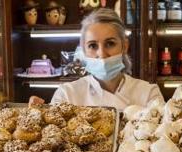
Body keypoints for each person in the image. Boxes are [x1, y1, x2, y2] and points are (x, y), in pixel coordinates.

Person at [29, 8, 164, 110]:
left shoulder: (148, 93)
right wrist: (38, 116)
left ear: (124, 46)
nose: (102, 54)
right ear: (83, 50)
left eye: (110, 43)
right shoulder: (67, 94)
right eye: (93, 45)